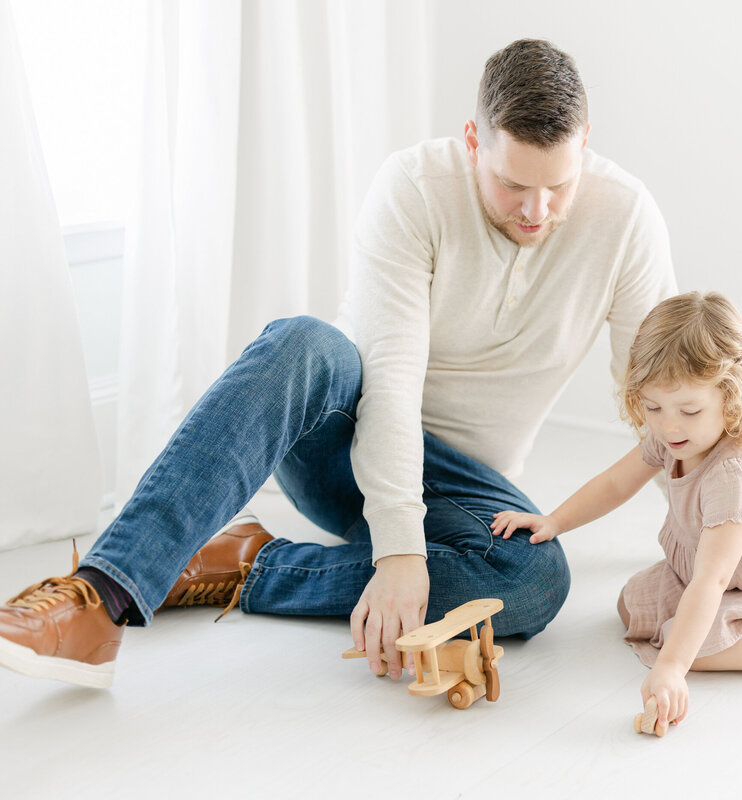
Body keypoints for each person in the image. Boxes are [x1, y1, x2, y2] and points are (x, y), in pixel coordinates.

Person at [0, 39, 676, 688]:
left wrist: (712, 525)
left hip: (460, 486)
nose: (537, 210)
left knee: (533, 579)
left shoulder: (626, 218)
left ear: (585, 143)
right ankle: (102, 595)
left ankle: (247, 562)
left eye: (557, 186)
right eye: (511, 185)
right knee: (307, 341)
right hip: (346, 438)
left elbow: (660, 395)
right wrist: (401, 553)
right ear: (473, 142)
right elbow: (391, 380)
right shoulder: (413, 189)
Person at [491, 292, 742, 730]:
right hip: (714, 572)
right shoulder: (673, 436)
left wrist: (670, 668)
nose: (669, 425)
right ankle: (714, 636)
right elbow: (615, 483)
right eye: (653, 407)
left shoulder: (736, 473)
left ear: (731, 396)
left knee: (694, 649)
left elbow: (713, 579)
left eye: (689, 409)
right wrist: (555, 521)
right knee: (632, 606)